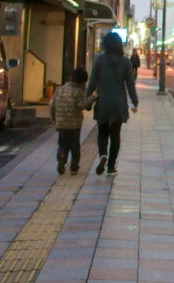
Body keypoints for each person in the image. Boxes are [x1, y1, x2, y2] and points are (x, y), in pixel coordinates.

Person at [87, 32, 139, 177]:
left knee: (102, 132)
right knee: (115, 134)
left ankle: (103, 154)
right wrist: (134, 102)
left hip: (103, 101)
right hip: (119, 103)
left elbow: (92, 81)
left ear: (105, 44)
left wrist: (87, 99)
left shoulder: (99, 60)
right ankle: (111, 167)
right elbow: (130, 85)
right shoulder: (126, 62)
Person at [49, 67, 97, 175]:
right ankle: (74, 168)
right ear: (82, 82)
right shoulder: (78, 91)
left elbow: (52, 104)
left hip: (61, 123)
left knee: (62, 144)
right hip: (74, 124)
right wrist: (93, 97)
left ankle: (62, 158)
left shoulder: (59, 89)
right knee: (75, 146)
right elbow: (81, 106)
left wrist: (53, 118)